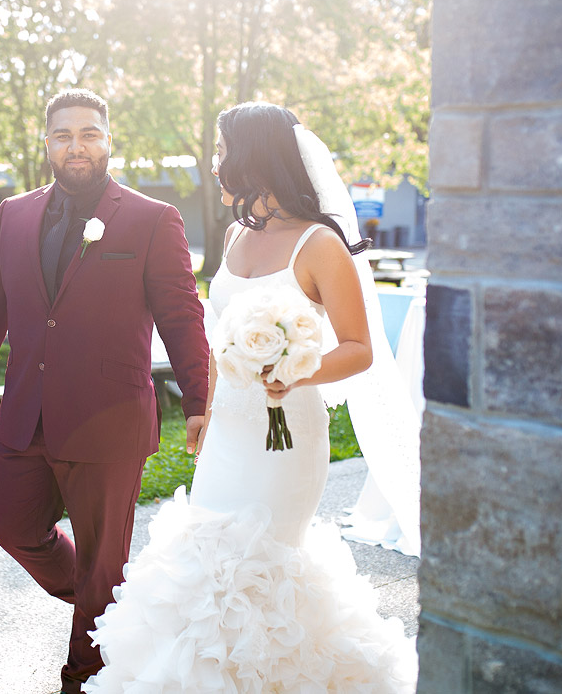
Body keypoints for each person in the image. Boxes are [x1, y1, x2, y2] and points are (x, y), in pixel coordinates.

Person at [84, 102, 418, 693]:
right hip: (230, 433)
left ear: (254, 156)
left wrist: (295, 369)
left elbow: (360, 347)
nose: (214, 163)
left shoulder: (319, 245)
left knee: (259, 571)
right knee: (205, 567)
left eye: (221, 150)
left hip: (287, 437)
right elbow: (220, 340)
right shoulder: (238, 235)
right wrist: (204, 411)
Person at [0, 89, 210, 694]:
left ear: (109, 140)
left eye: (89, 133)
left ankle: (83, 677)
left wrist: (198, 401)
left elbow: (180, 314)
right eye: (64, 135)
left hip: (107, 418)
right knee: (14, 526)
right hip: (25, 417)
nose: (77, 146)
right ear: (47, 144)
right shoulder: (13, 213)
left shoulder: (150, 219)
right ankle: (116, 604)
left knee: (101, 564)